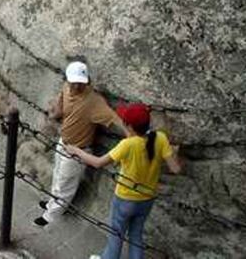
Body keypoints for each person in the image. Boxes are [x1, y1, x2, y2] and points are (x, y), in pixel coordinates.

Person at [67, 103, 181, 259]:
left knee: (116, 235)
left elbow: (98, 162)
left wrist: (76, 150)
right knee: (136, 236)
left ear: (129, 126)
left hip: (125, 198)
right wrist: (173, 153)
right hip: (147, 198)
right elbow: (176, 169)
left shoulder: (127, 145)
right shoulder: (160, 138)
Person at [34, 61, 129, 226]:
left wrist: (131, 134)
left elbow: (114, 118)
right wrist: (54, 112)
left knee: (66, 184)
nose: (76, 86)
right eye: (74, 82)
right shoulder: (66, 87)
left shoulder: (94, 101)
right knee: (57, 177)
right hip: (63, 141)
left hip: (78, 150)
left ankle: (51, 216)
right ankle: (51, 204)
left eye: (80, 83)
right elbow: (60, 104)